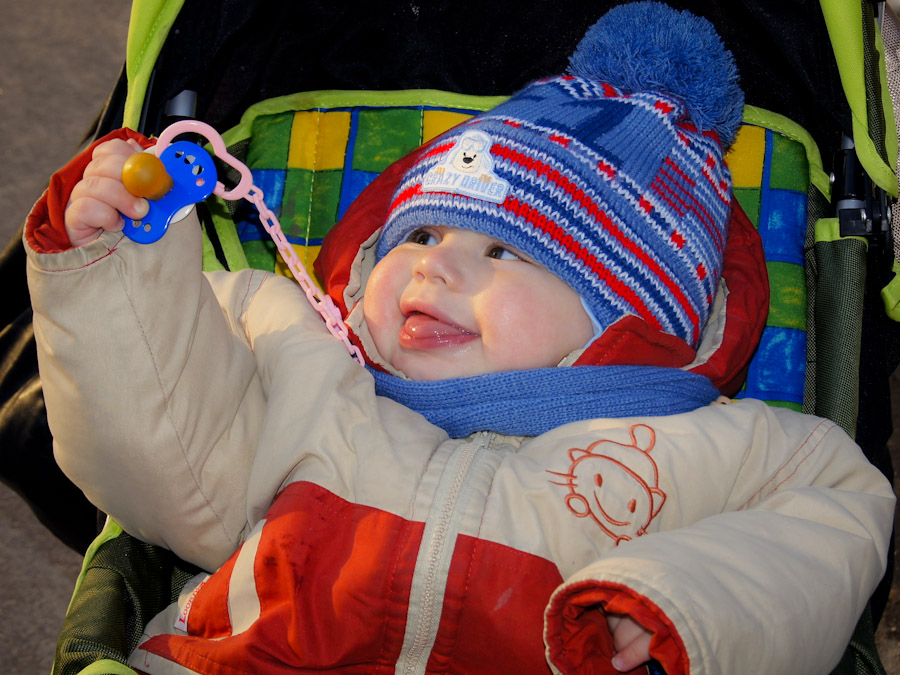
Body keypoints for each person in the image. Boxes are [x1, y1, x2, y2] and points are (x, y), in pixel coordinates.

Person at [25, 3, 894, 673]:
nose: (434, 270)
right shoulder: (298, 366)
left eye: (502, 250)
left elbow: (842, 516)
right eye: (420, 238)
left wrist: (679, 604)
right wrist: (110, 262)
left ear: (623, 320)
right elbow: (149, 445)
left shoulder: (714, 449)